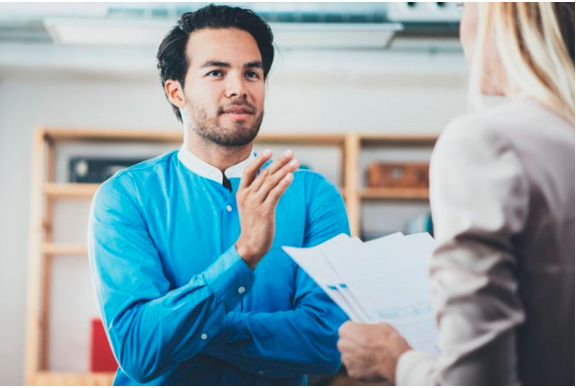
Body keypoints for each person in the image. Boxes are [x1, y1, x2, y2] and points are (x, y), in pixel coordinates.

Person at [88, 4, 349, 385]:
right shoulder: (125, 198)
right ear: (176, 91)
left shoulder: (314, 198)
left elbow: (327, 343)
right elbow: (139, 350)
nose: (238, 88)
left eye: (252, 73)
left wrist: (193, 330)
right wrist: (243, 255)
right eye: (216, 72)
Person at [338, 2, 575, 385]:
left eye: (465, 5)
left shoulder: (486, 143)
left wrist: (394, 361)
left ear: (499, 14)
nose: (462, 26)